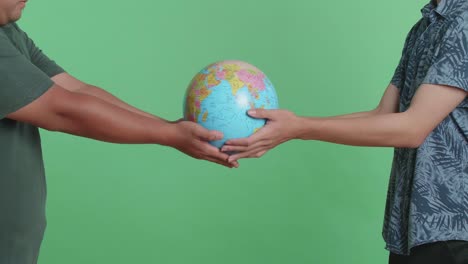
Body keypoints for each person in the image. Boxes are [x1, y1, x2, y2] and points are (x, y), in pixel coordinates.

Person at [223, 0, 468, 263]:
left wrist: (299, 128)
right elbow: (384, 115)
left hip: (453, 227)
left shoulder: (463, 22)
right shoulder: (424, 27)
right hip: (414, 230)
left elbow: (412, 127)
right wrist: (293, 125)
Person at [0, 0, 239, 262]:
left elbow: (75, 89)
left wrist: (171, 127)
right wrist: (169, 136)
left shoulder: (9, 33)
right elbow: (62, 110)